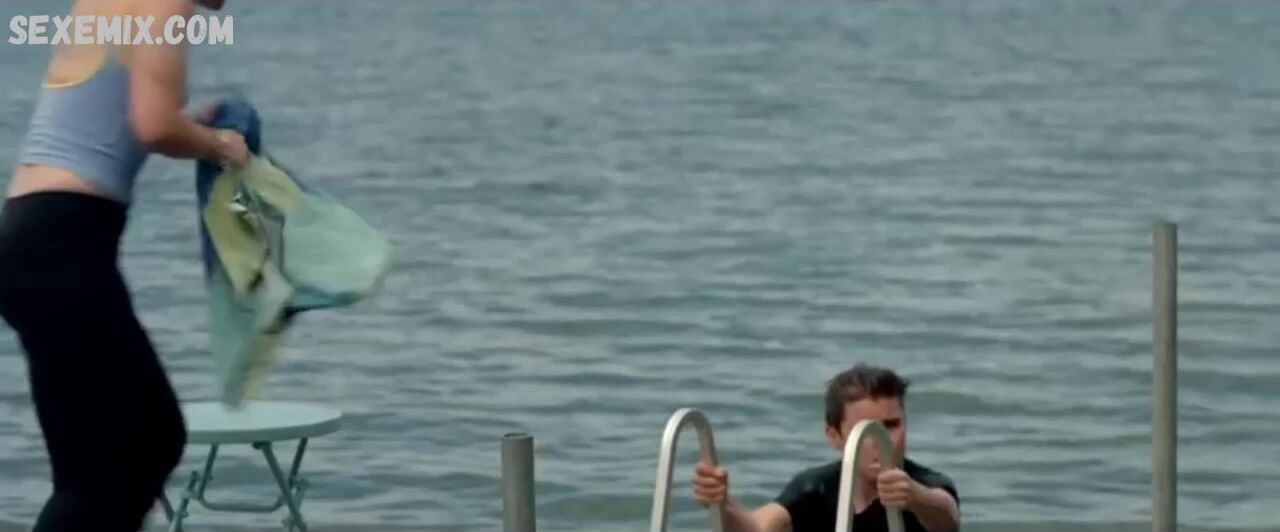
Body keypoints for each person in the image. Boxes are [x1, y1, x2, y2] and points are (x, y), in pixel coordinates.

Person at [0, 0, 249, 530]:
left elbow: (105, 119)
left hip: (34, 238)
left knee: (97, 467)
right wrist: (221, 147)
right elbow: (154, 126)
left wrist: (194, 130)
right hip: (63, 244)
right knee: (147, 441)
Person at [691, 363, 960, 532]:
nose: (882, 440)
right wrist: (722, 503)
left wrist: (915, 497)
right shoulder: (817, 488)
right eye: (865, 429)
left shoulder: (925, 484)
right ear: (834, 436)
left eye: (892, 425)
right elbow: (757, 528)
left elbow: (946, 517)